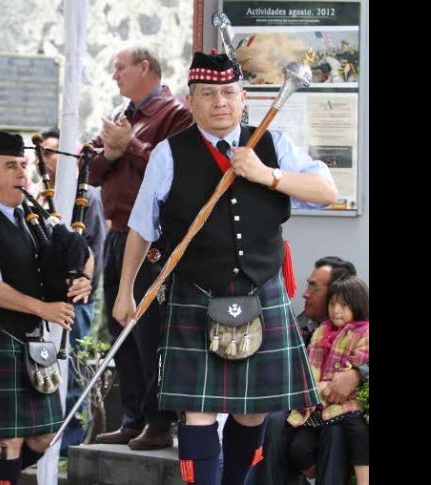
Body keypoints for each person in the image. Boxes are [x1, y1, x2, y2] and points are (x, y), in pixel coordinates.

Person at [112, 51, 338, 485]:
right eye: (208, 94)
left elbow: (326, 189)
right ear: (190, 101)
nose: (220, 102)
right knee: (198, 412)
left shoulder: (272, 144)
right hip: (196, 294)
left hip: (260, 294)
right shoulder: (168, 153)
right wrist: (126, 293)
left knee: (251, 413)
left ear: (243, 96)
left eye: (229, 93)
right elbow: (141, 228)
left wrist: (265, 174)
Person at [0, 131, 92, 484]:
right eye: (11, 166)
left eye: (24, 166)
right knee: (8, 439)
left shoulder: (33, 220)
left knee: (44, 436)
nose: (22, 173)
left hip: (31, 343)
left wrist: (82, 280)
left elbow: (82, 253)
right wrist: (43, 309)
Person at [88, 41, 193, 450]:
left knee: (150, 330)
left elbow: (173, 175)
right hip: (116, 233)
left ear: (145, 67)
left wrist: (128, 145)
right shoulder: (120, 117)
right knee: (119, 329)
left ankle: (159, 420)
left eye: (120, 68)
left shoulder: (175, 114)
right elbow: (94, 173)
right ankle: (131, 416)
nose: (114, 76)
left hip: (153, 236)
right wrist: (112, 150)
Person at [251, 256, 364, 485]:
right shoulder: (300, 325)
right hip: (304, 409)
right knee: (273, 421)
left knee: (338, 431)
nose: (305, 293)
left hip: (341, 412)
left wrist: (357, 373)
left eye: (314, 287)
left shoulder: (362, 330)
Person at [35, 126, 107, 455]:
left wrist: (82, 284)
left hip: (75, 298)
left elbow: (91, 250)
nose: (50, 159)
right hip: (42, 299)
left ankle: (69, 443)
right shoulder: (37, 198)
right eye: (46, 153)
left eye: (55, 152)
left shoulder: (87, 197)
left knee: (72, 369)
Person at [287, 276, 369, 485]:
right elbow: (311, 366)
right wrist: (317, 388)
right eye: (332, 303)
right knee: (299, 448)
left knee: (359, 435)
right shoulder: (321, 332)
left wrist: (329, 386)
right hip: (316, 406)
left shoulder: (364, 333)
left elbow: (353, 370)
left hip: (346, 404)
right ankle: (312, 475)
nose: (336, 310)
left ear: (357, 305)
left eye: (343, 304)